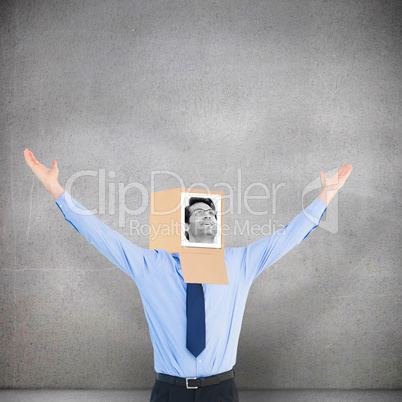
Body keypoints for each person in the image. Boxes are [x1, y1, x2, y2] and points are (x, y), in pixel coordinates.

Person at [23, 148, 352, 402]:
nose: (209, 220)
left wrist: (327, 195)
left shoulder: (239, 263)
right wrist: (56, 189)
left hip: (221, 391)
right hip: (169, 393)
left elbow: (288, 236)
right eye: (199, 215)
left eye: (212, 215)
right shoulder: (151, 266)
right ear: (180, 228)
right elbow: (100, 234)